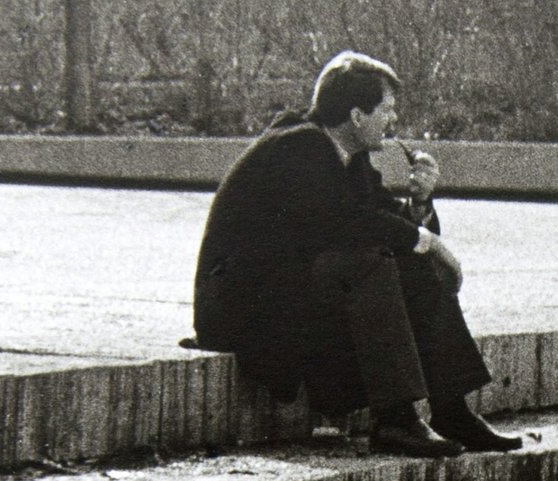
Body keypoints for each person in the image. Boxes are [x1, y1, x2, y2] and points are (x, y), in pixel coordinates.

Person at [192, 51, 520, 457]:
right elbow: (335, 223)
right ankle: (396, 420)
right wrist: (426, 241)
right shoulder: (298, 145)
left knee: (403, 259)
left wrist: (419, 204)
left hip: (291, 293)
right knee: (369, 263)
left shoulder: (350, 156)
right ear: (356, 115)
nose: (393, 121)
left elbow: (386, 223)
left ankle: (450, 409)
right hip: (246, 309)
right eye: (387, 109)